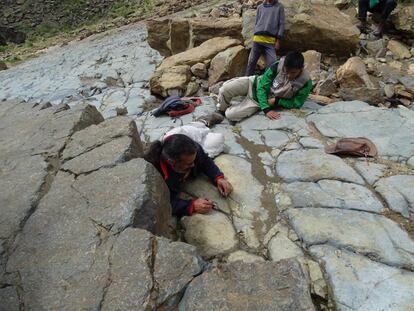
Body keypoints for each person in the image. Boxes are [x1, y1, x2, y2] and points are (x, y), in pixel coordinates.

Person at [144, 134, 233, 217]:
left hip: (192, 132)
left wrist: (218, 177)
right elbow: (162, 204)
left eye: (194, 161)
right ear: (171, 162)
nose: (193, 165)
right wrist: (191, 206)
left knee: (216, 138)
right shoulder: (155, 173)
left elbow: (205, 161)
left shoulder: (193, 150)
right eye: (188, 164)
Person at [217, 51, 312, 122]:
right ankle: (220, 111)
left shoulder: (305, 83)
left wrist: (277, 101)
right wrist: (266, 110)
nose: (289, 75)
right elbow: (262, 87)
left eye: (293, 73)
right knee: (224, 89)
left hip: (258, 101)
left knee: (230, 115)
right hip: (254, 82)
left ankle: (229, 108)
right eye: (286, 71)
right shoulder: (278, 65)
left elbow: (297, 103)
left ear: (301, 69)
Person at [245, 0, 285, 76]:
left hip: (270, 41)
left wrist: (278, 40)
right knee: (251, 62)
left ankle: (264, 82)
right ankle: (246, 80)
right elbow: (257, 22)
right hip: (257, 39)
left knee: (272, 63)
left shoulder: (279, 7)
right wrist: (254, 34)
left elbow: (281, 24)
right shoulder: (260, 7)